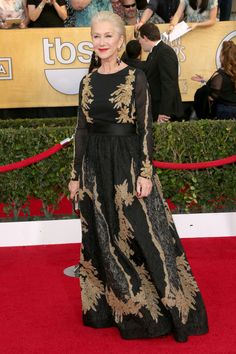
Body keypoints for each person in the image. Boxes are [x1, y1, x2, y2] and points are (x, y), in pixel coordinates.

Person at [68, 10, 208, 342]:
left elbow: (144, 129)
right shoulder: (87, 82)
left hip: (128, 164)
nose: (102, 42)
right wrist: (75, 176)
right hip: (94, 167)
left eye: (108, 36)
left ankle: (164, 311)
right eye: (96, 36)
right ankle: (121, 310)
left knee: (144, 236)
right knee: (105, 237)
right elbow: (82, 130)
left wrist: (145, 172)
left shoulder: (135, 77)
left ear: (120, 41)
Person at [138, 22, 183, 122]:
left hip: (166, 114)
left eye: (139, 39)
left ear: (145, 38)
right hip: (157, 109)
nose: (139, 42)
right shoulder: (154, 52)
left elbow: (169, 84)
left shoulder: (164, 52)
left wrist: (164, 112)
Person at [192, 41, 236, 119]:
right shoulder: (231, 73)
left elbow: (212, 97)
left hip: (224, 113)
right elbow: (227, 85)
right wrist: (204, 81)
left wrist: (203, 90)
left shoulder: (219, 75)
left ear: (222, 56)